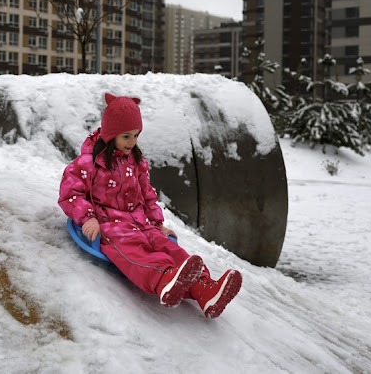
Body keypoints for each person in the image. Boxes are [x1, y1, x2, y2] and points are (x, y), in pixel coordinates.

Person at [58, 94, 242, 318]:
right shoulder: (89, 162)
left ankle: (205, 290)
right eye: (126, 136)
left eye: (136, 135)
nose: (132, 142)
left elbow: (147, 195)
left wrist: (157, 224)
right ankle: (164, 279)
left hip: (141, 223)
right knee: (135, 250)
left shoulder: (136, 162)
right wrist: (88, 217)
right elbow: (70, 193)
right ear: (109, 135)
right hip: (111, 224)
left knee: (170, 248)